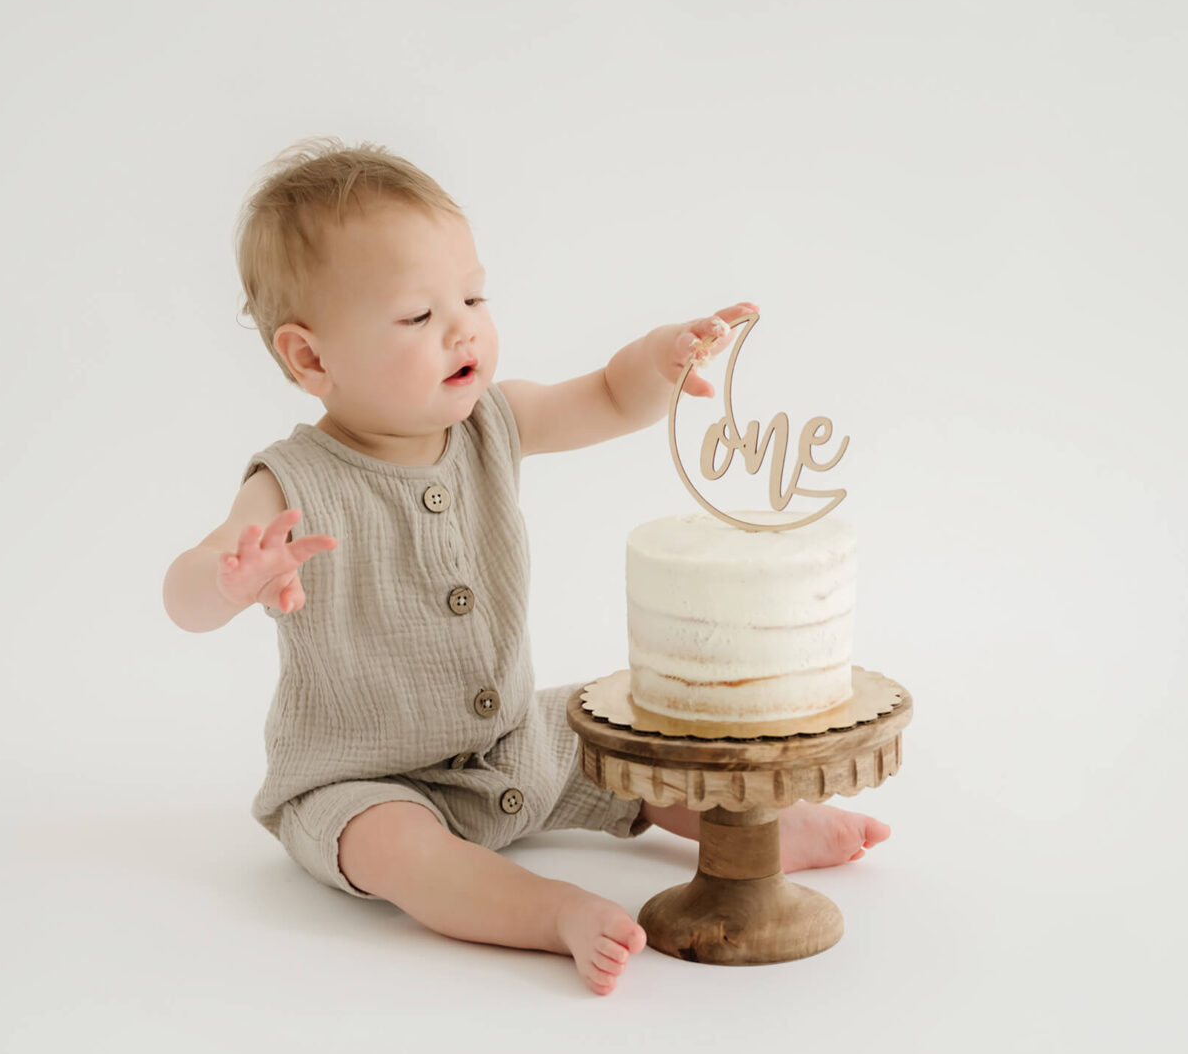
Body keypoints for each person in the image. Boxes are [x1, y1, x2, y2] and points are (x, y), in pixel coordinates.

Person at [162, 137, 891, 995]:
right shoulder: (294, 481)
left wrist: (659, 362)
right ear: (312, 358)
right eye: (418, 316)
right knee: (401, 850)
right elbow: (188, 590)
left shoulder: (489, 423)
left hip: (512, 738)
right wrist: (230, 577)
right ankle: (549, 911)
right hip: (367, 779)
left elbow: (607, 396)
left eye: (472, 295)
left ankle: (751, 832)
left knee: (617, 745)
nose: (464, 325)